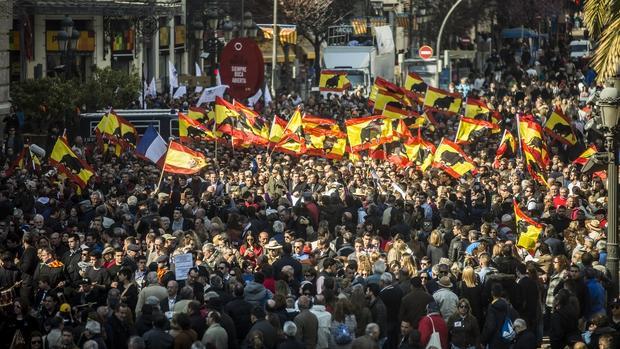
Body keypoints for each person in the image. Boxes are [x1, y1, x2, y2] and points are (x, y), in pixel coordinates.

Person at [480, 283, 519, 349]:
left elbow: (490, 327)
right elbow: (516, 319)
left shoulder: (492, 307)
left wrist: (483, 341)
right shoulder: (508, 306)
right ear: (501, 292)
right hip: (507, 339)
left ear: (492, 293)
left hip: (494, 341)